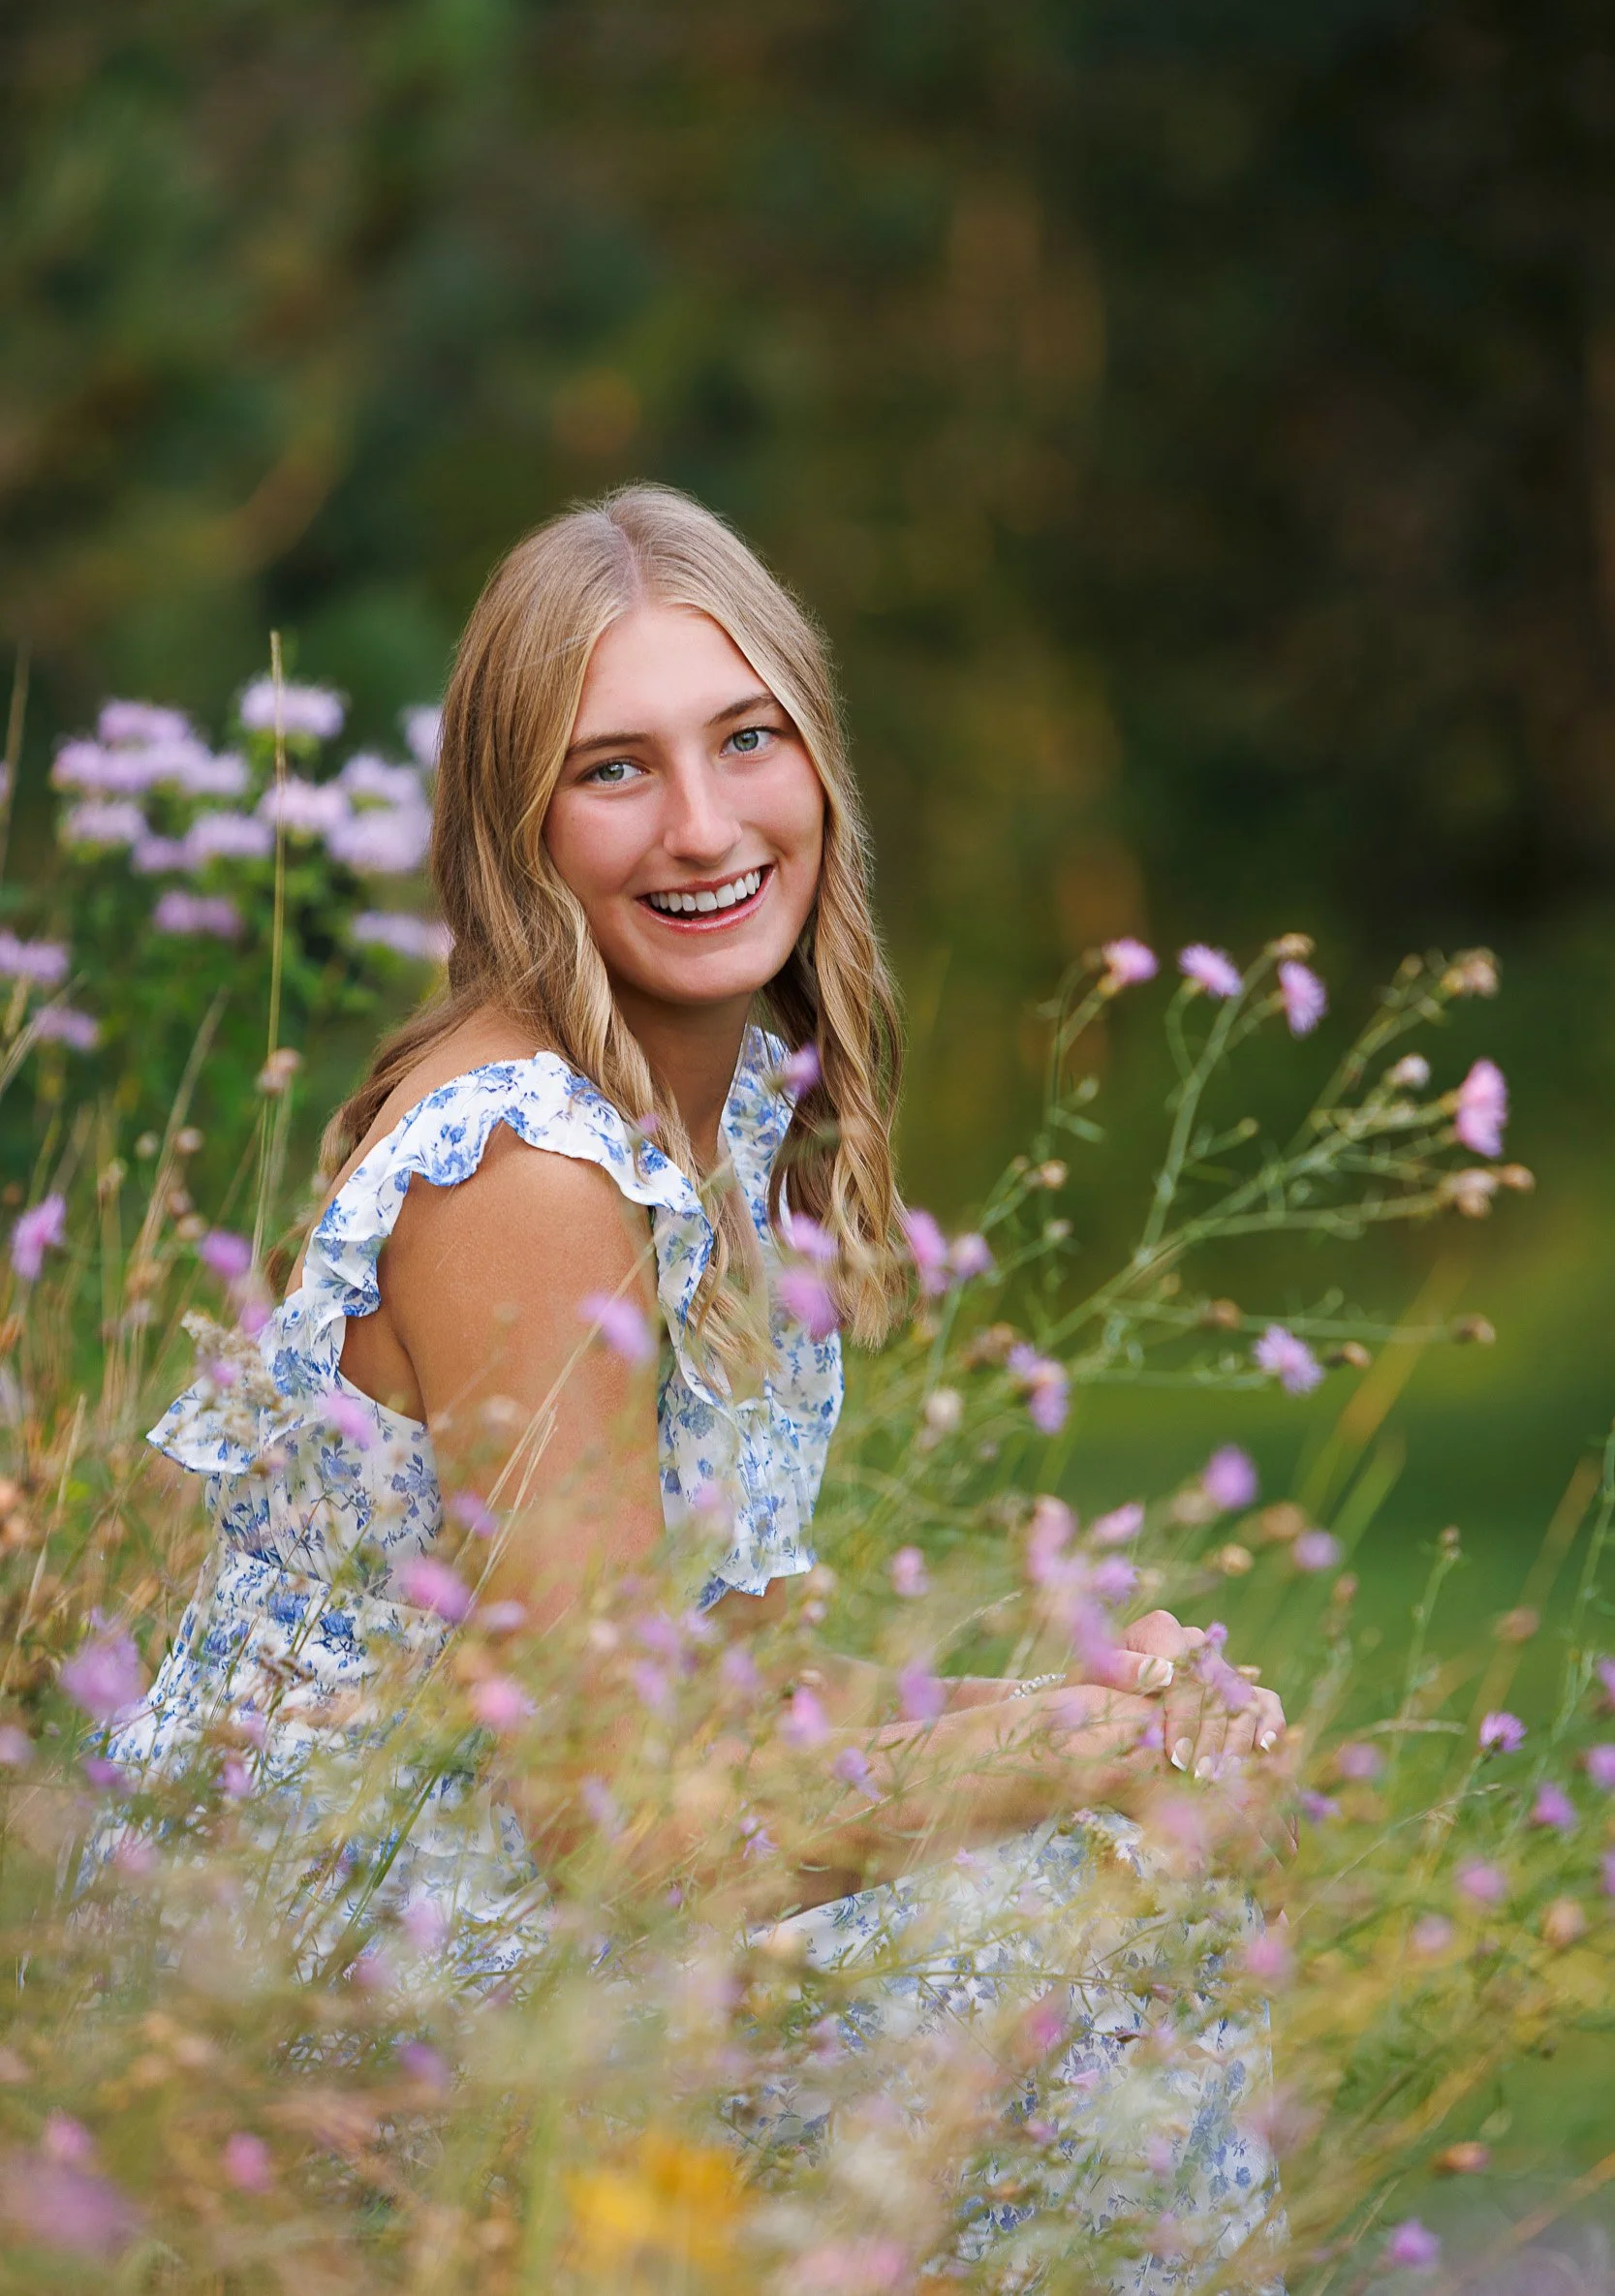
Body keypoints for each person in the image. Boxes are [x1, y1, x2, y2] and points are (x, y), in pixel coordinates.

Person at [109, 484, 1285, 2280]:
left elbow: (727, 1677)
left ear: (815, 757)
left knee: (1115, 1904)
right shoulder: (524, 1170)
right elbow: (611, 1829)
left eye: (745, 741)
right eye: (613, 771)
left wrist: (1092, 1691)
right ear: (515, 834)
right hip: (319, 1989)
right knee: (1080, 1980)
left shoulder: (714, 1125)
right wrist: (1049, 1762)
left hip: (489, 1900)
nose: (704, 824)